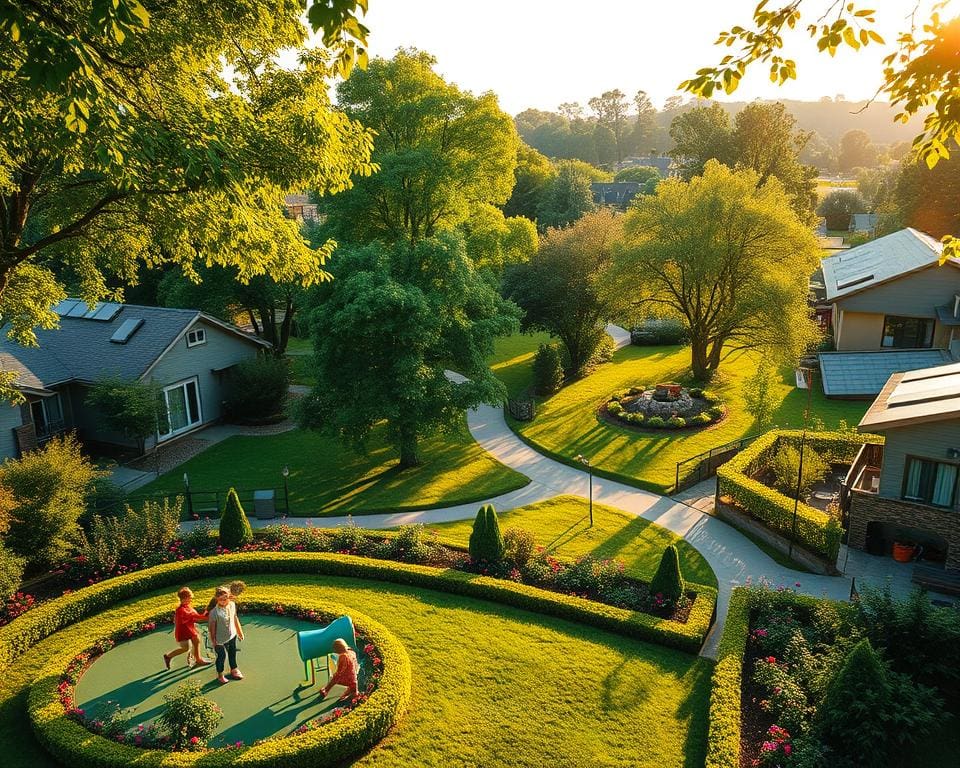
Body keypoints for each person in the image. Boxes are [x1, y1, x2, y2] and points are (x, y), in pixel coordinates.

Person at [163, 587, 211, 670]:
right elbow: (197, 617)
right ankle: (168, 656)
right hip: (183, 632)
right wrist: (208, 614)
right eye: (189, 598)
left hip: (189, 629)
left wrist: (206, 613)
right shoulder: (181, 610)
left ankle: (198, 659)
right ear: (184, 598)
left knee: (196, 640)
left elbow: (196, 617)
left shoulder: (188, 606)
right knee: (185, 648)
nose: (191, 600)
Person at [208, 585, 244, 684]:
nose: (224, 601)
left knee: (232, 652)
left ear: (229, 597)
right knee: (221, 656)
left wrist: (239, 631)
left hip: (232, 635)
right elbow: (212, 628)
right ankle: (220, 675)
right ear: (217, 599)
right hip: (219, 639)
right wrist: (214, 641)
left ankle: (234, 669)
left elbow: (235, 617)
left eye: (225, 598)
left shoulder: (232, 605)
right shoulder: (214, 612)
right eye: (221, 599)